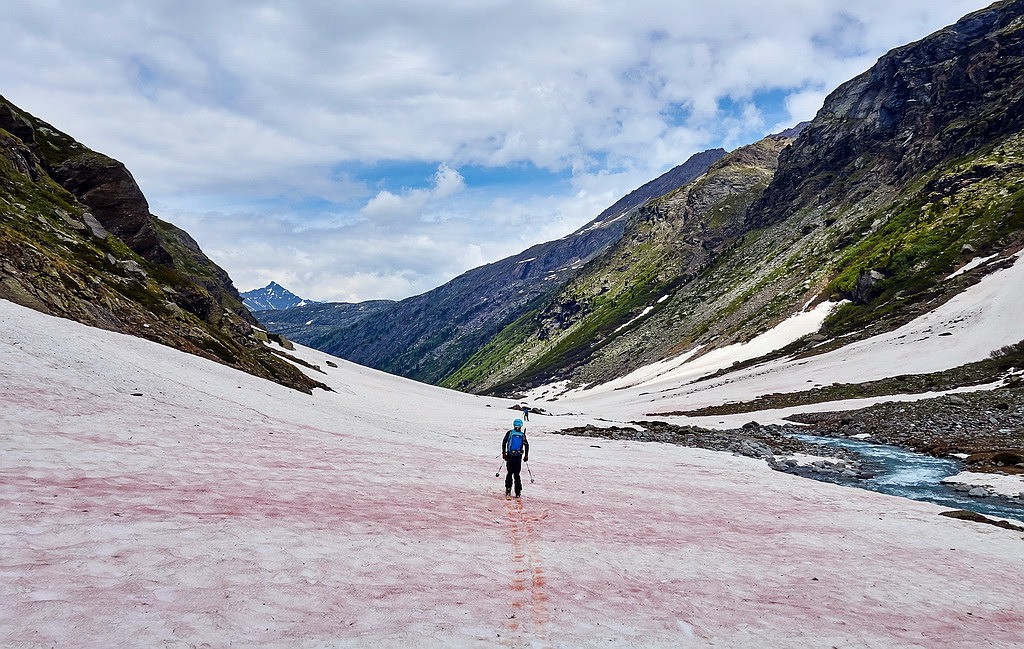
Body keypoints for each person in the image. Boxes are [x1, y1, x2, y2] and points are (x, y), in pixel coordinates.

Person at [502, 419, 530, 498]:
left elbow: (504, 442)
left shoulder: (510, 433)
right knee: (517, 474)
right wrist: (526, 455)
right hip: (518, 457)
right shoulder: (522, 435)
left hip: (510, 456)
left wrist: (504, 453)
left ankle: (508, 489)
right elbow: (526, 445)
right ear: (521, 426)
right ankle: (518, 492)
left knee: (509, 473)